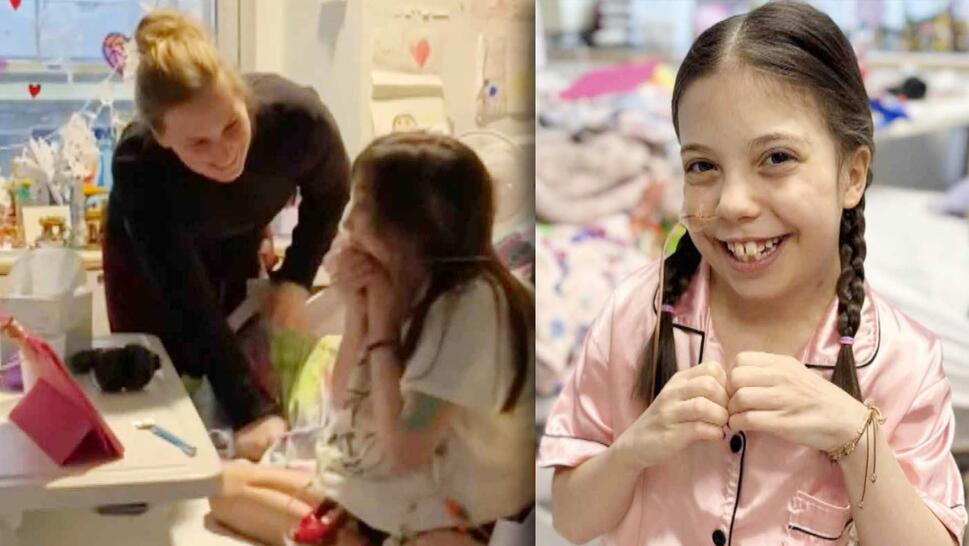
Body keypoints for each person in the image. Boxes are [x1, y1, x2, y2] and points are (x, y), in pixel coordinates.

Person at [540, 2, 968, 545]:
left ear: (853, 175)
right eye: (702, 166)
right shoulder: (636, 315)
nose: (734, 203)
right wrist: (635, 448)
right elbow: (572, 519)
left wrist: (857, 442)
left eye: (777, 158)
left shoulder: (900, 360)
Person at [208, 133, 535, 545]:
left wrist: (380, 327)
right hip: (395, 494)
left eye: (361, 205)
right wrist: (359, 313)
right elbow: (345, 397)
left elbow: (406, 449)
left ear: (410, 223)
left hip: (453, 516)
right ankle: (347, 532)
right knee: (218, 487)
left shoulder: (472, 305)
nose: (347, 224)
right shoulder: (409, 281)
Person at [104, 10, 350, 460]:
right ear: (162, 139)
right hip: (149, 267)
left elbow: (332, 193)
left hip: (237, 233)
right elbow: (188, 300)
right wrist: (252, 413)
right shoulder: (140, 166)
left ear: (243, 98)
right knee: (171, 376)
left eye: (233, 125)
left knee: (249, 340)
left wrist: (295, 279)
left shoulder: (298, 120)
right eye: (198, 144)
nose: (224, 153)